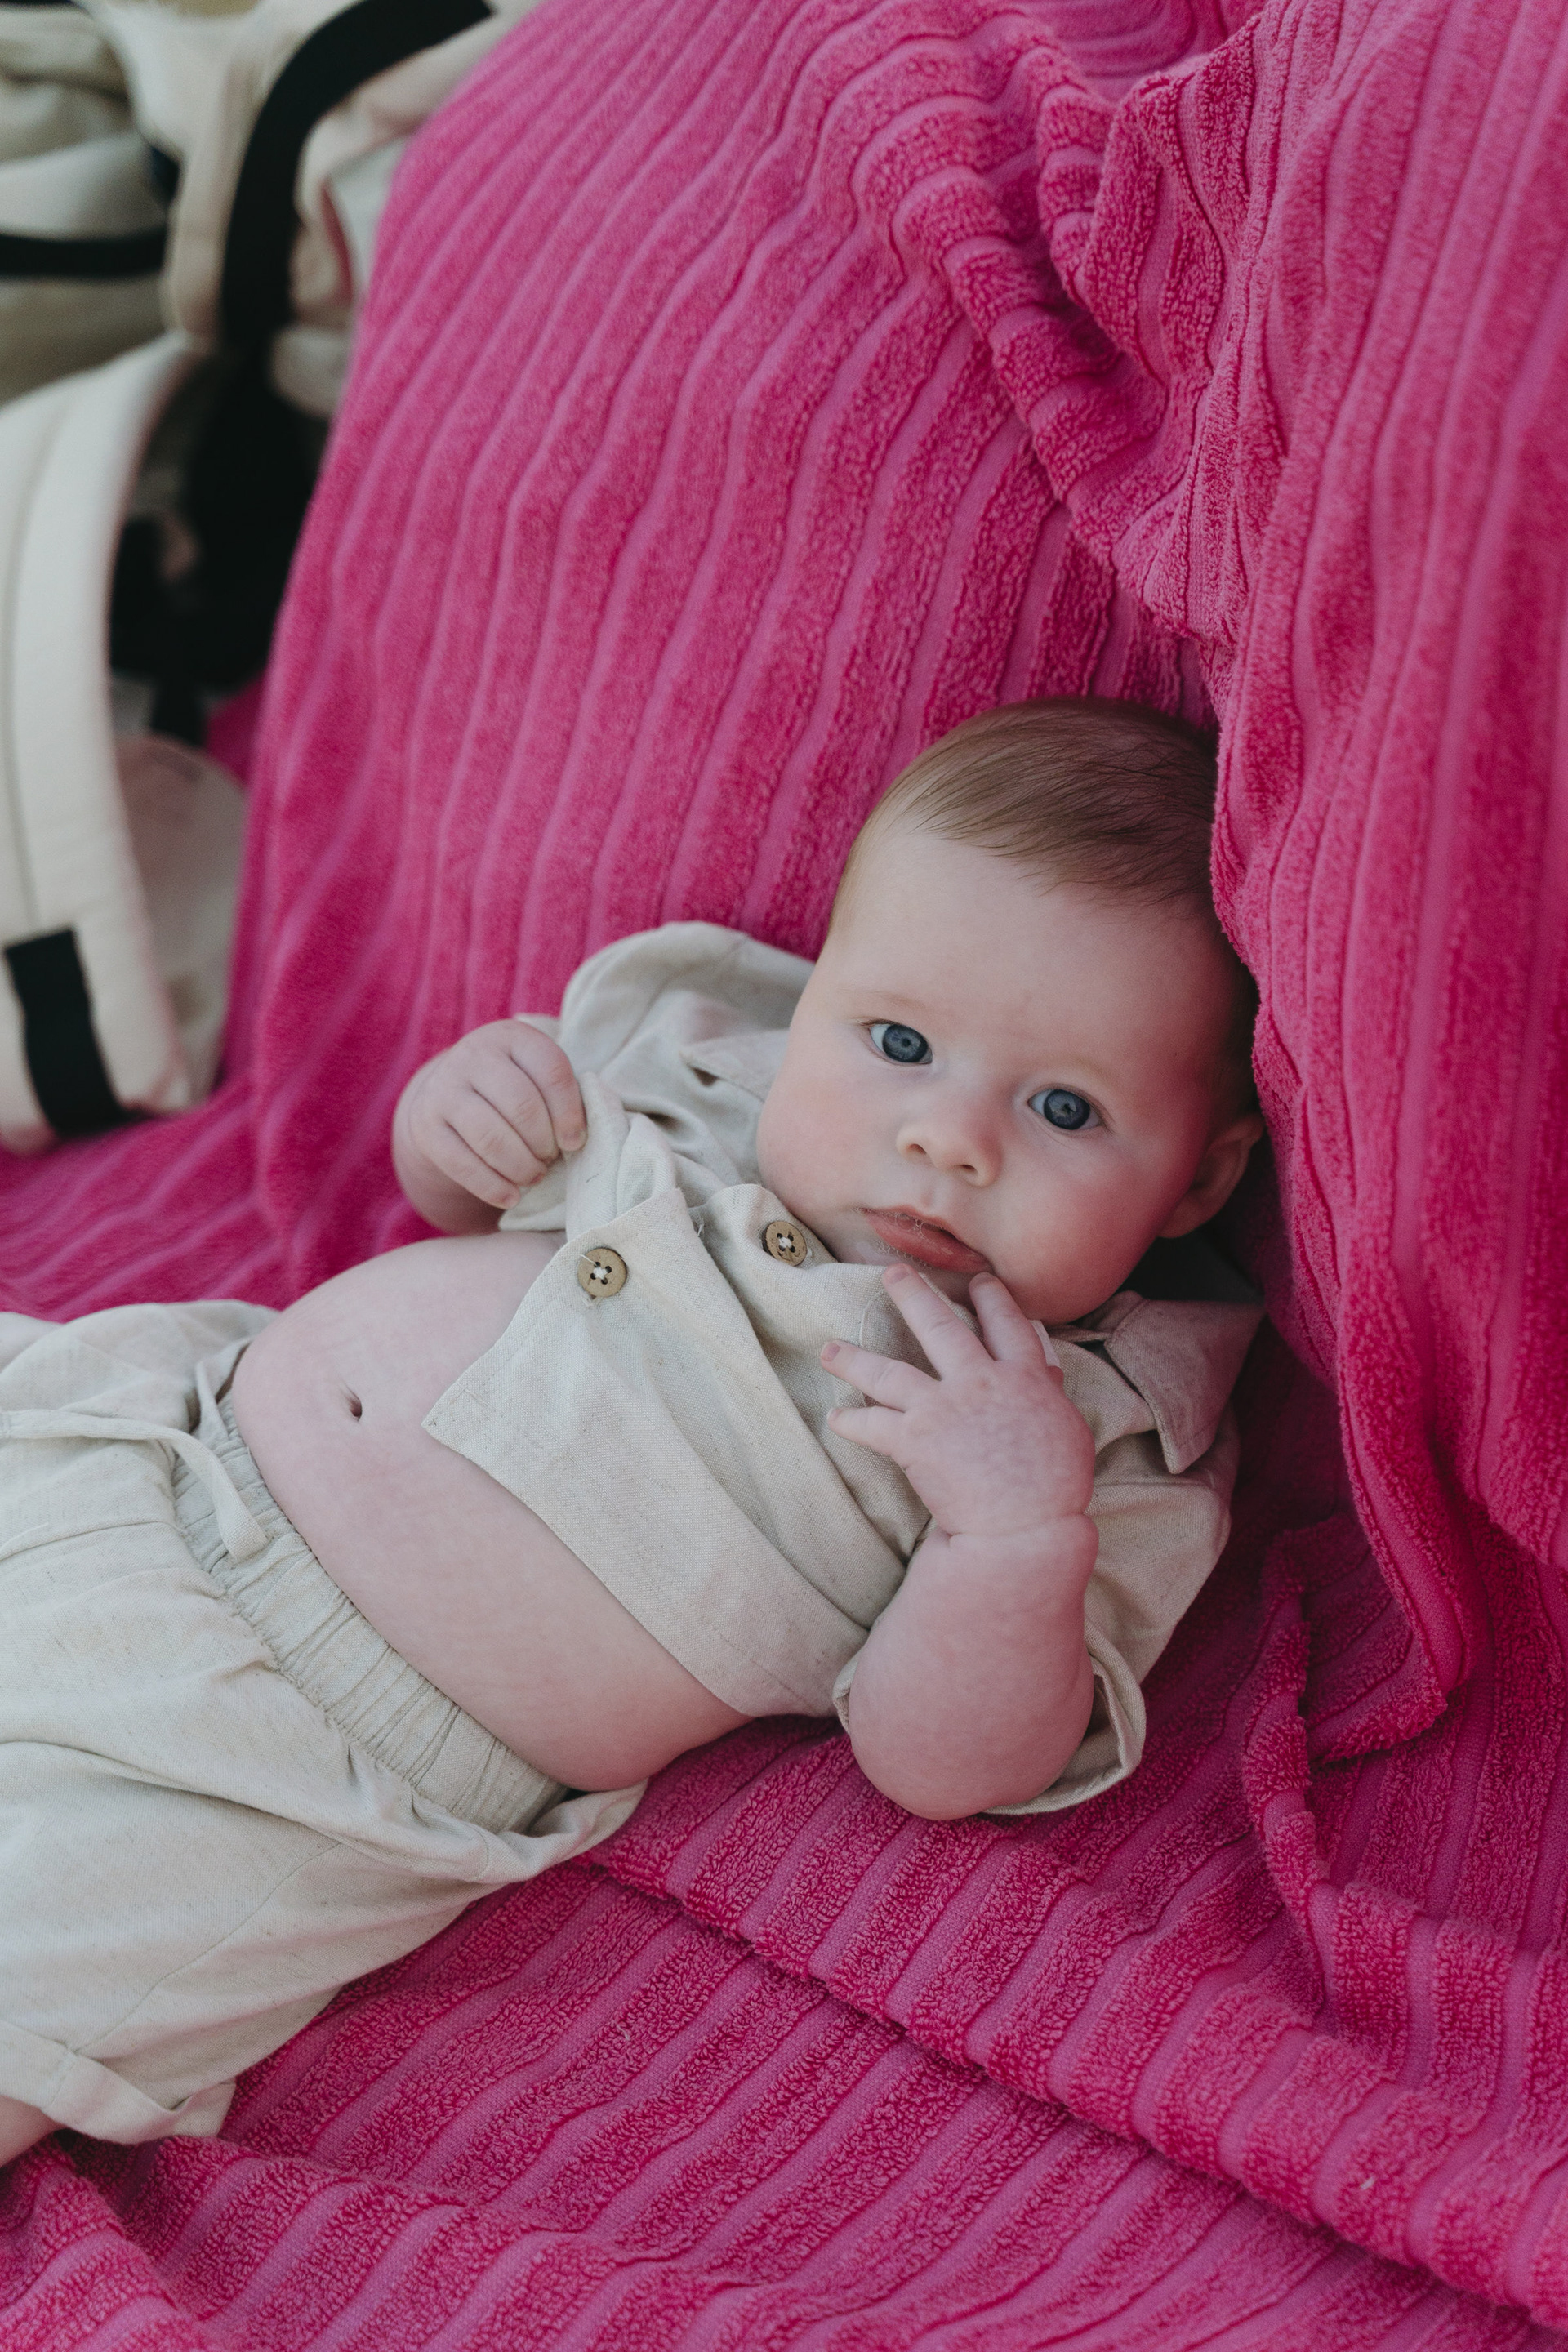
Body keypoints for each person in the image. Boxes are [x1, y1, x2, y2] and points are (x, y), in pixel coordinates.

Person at [0, 696, 1264, 2164]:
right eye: (900, 1039)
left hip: (294, 1750)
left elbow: (946, 1763)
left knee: (43, 1973)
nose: (949, 1136)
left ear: (1198, 1179)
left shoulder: (1091, 1432)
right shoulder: (716, 1065)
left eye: (1064, 1108)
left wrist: (1010, 1531)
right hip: (138, 1434)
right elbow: (467, 1194)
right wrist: (457, 1117)